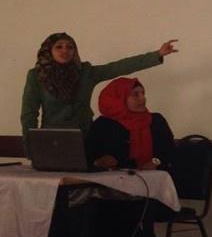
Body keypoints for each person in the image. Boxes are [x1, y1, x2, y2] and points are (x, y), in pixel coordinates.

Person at [87, 77, 176, 237]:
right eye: (135, 94)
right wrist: (99, 161)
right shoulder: (103, 124)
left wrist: (155, 161)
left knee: (125, 215)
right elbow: (87, 154)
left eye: (142, 93)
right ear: (118, 99)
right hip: (111, 191)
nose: (141, 98)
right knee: (85, 209)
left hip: (152, 193)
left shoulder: (156, 121)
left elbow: (169, 152)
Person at [20, 32, 178, 155]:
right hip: (51, 140)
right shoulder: (37, 76)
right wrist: (31, 148)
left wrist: (157, 55)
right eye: (59, 47)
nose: (65, 50)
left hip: (84, 139)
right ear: (49, 50)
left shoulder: (85, 72)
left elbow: (118, 67)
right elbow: (29, 114)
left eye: (70, 47)